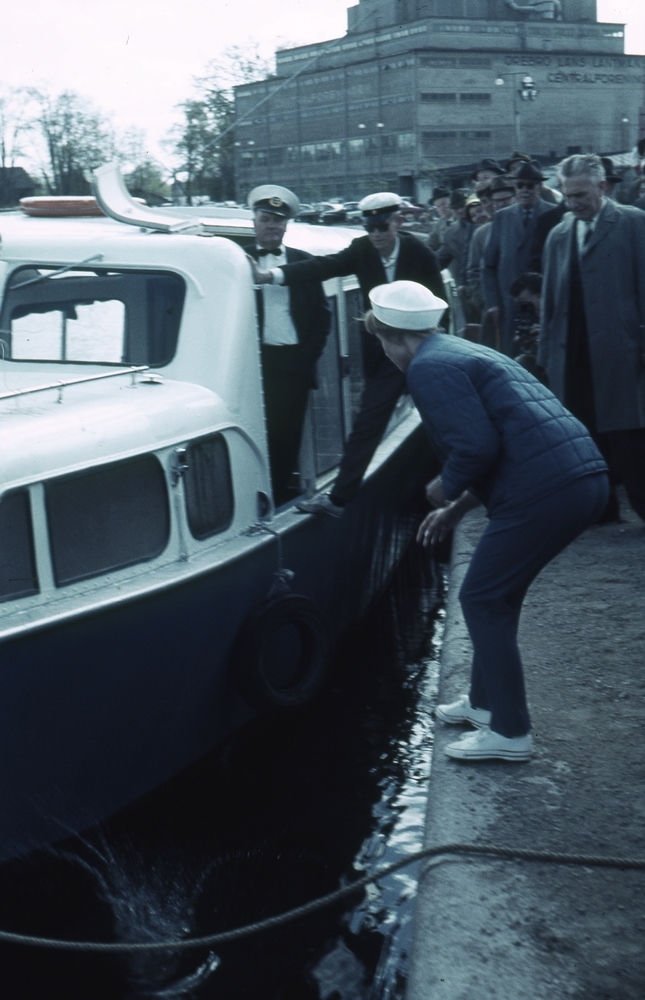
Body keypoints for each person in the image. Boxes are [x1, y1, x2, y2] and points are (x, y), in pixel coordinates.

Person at [365, 280, 608, 761]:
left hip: (547, 490)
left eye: (381, 343)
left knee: (480, 597)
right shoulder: (461, 351)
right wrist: (455, 511)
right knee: (498, 595)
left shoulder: (428, 368)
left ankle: (511, 732)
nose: (385, 354)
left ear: (394, 338)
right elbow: (510, 443)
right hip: (580, 479)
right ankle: (483, 703)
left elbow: (476, 448)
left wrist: (444, 486)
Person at [251, 192, 445, 517]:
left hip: (423, 350)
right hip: (386, 356)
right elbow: (322, 267)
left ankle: (455, 489)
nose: (376, 235)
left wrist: (432, 354)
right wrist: (270, 276)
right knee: (367, 425)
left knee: (443, 419)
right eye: (370, 228)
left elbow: (440, 306)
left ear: (397, 222)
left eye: (382, 227)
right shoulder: (362, 249)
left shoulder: (419, 253)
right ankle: (338, 500)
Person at [539, 153, 645, 523]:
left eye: (581, 195)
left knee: (630, 434)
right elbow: (550, 301)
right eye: (567, 196)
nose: (573, 203)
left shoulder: (634, 223)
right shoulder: (559, 235)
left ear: (602, 187)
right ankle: (601, 509)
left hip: (622, 350)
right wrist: (546, 355)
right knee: (583, 432)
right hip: (573, 352)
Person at [247, 184, 331, 506]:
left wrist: (305, 359)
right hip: (252, 364)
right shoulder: (237, 260)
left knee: (286, 436)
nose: (272, 226)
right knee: (253, 432)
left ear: (286, 225)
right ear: (254, 221)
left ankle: (280, 499)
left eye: (278, 220)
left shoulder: (304, 262)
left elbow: (323, 317)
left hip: (293, 364)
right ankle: (251, 498)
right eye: (266, 219)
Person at [482, 161, 553, 355]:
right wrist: (493, 303)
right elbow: (488, 265)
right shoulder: (502, 217)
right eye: (520, 185)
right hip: (510, 304)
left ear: (539, 187)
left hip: (543, 303)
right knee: (512, 355)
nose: (524, 190)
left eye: (530, 185)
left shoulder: (553, 214)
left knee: (543, 354)